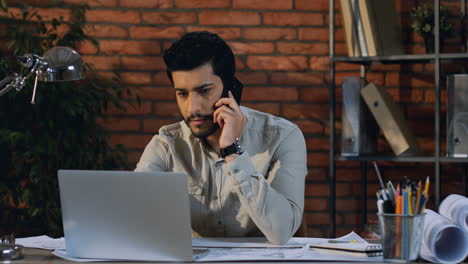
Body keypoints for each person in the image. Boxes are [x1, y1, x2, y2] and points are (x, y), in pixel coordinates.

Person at [135, 31, 307, 245]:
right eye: (182, 93)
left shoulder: (283, 136)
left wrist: (232, 151)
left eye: (204, 91)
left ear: (229, 89)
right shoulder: (167, 143)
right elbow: (133, 211)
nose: (192, 108)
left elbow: (281, 232)